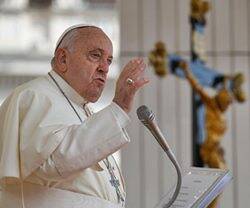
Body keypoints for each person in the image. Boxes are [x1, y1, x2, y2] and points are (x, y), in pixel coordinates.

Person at [0, 24, 149, 208]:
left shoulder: (82, 108)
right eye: (95, 55)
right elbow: (53, 163)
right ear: (63, 59)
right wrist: (118, 108)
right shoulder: (34, 96)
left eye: (109, 61)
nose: (104, 68)